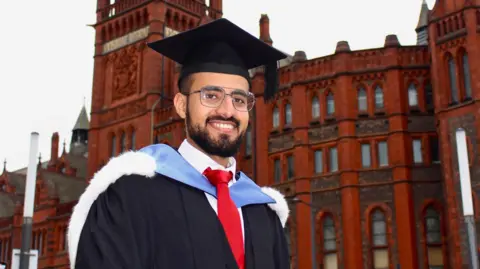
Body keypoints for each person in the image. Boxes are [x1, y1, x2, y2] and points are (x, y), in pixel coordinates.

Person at [67, 18, 290, 269]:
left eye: (239, 100)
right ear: (181, 105)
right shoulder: (130, 194)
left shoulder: (263, 213)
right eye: (211, 95)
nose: (227, 111)